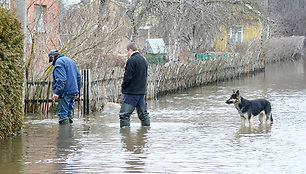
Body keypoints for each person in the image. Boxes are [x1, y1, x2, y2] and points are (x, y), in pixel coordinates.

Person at [119, 43, 150, 128]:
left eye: (127, 51)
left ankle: (125, 137)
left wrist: (123, 87)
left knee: (124, 115)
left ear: (130, 50)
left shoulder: (131, 60)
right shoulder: (144, 60)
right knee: (144, 115)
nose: (127, 53)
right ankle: (146, 134)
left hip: (131, 92)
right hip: (141, 92)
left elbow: (128, 76)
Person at [48, 49, 81, 125]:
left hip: (64, 93)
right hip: (73, 92)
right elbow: (79, 77)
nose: (52, 62)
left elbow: (61, 80)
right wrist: (77, 91)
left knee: (63, 116)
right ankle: (70, 135)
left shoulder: (59, 63)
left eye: (51, 59)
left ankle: (64, 135)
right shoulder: (71, 61)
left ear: (53, 57)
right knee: (69, 114)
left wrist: (56, 93)